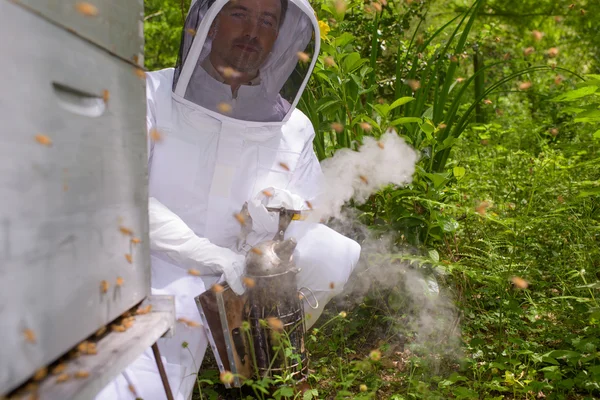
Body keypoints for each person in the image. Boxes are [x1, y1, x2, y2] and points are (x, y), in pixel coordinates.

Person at [97, 0, 361, 398]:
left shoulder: (293, 127)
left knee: (333, 252)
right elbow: (121, 195)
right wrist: (206, 254)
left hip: (249, 270)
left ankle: (259, 352)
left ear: (281, 37)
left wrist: (279, 217)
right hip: (158, 268)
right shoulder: (150, 94)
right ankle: (191, 356)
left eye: (267, 21)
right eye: (240, 14)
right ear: (210, 23)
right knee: (141, 386)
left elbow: (312, 210)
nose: (254, 31)